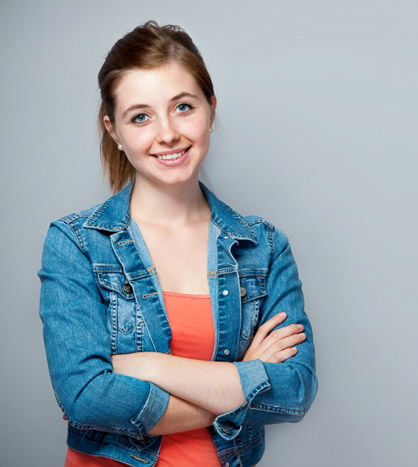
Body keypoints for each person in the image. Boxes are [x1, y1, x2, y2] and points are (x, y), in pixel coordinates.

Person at [37, 20, 318, 467]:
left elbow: (295, 390)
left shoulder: (262, 246)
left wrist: (148, 365)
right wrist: (239, 383)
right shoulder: (78, 243)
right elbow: (86, 398)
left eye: (183, 106)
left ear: (211, 106)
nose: (167, 133)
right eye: (141, 116)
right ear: (114, 130)